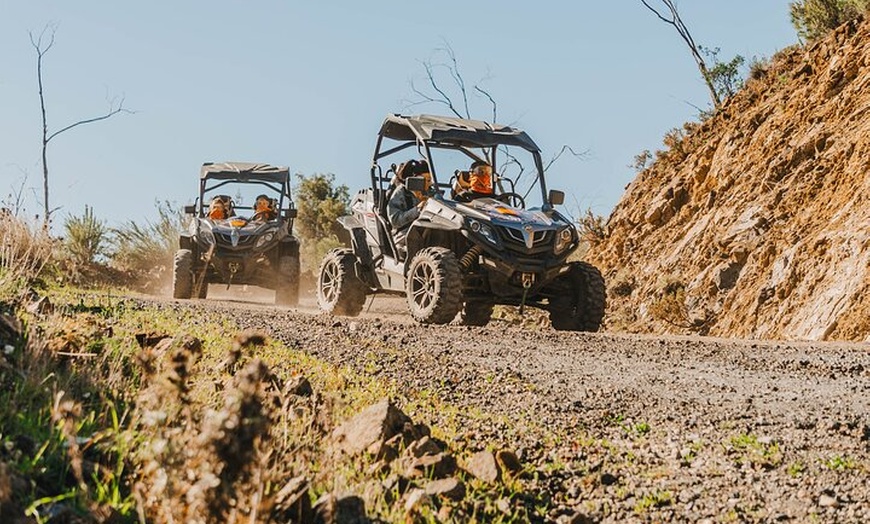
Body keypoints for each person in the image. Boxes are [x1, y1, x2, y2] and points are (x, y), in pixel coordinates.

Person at [388, 159, 431, 256]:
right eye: (427, 180)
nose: (430, 184)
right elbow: (395, 220)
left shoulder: (430, 193)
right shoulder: (401, 193)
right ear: (416, 178)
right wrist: (417, 210)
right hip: (405, 236)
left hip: (428, 233)